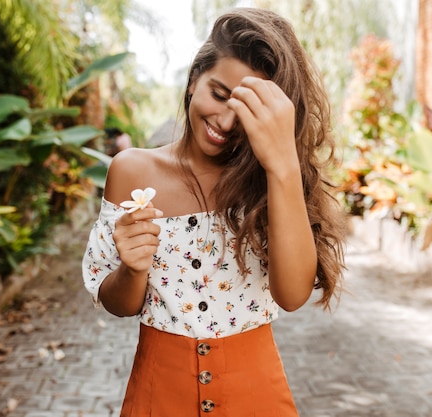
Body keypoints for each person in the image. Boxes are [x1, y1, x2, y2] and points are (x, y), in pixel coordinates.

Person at [82, 7, 346, 416]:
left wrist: (283, 165)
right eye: (219, 94)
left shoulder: (268, 183)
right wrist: (133, 269)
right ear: (193, 80)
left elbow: (292, 296)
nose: (224, 120)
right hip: (158, 397)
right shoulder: (132, 171)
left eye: (245, 110)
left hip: (257, 398)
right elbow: (120, 303)